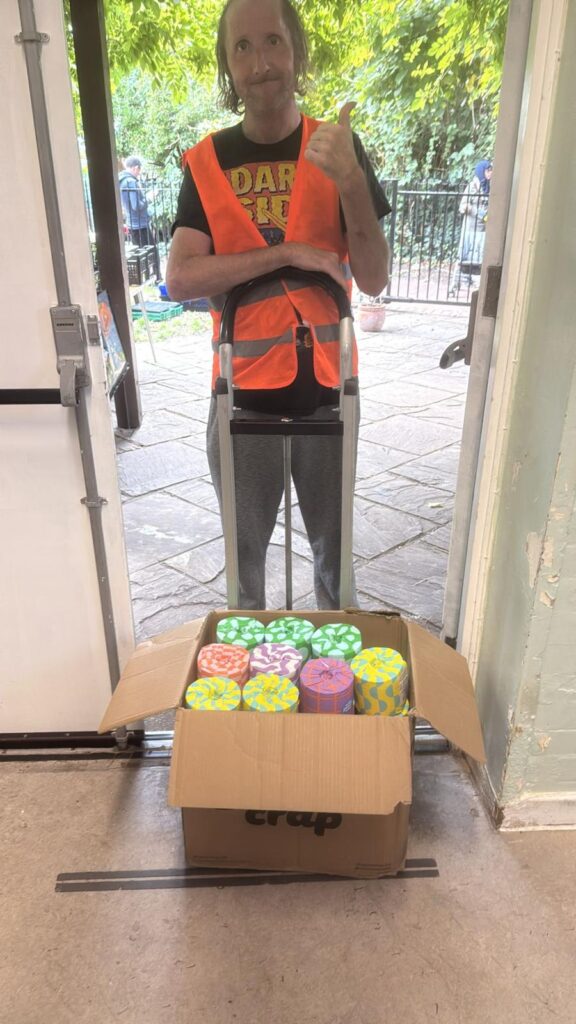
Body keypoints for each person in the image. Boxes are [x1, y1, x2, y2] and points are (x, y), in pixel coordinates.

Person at [166, 0, 390, 610]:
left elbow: (372, 277)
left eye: (273, 41)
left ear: (296, 51)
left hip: (329, 387)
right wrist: (285, 252)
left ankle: (334, 691)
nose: (260, 62)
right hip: (238, 389)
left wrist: (351, 183)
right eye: (242, 47)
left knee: (333, 563)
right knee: (245, 570)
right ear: (228, 65)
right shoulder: (207, 161)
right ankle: (250, 697)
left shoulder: (339, 148)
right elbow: (181, 278)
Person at [449, 159, 492, 295]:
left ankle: (478, 288)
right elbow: (462, 206)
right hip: (470, 229)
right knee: (463, 256)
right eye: (488, 170)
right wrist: (477, 212)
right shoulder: (472, 186)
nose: (490, 173)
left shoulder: (490, 187)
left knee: (479, 257)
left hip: (482, 230)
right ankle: (454, 285)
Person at [118, 156, 152, 247]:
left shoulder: (122, 180)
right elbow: (136, 206)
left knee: (140, 255)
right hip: (140, 225)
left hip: (133, 224)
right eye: (139, 170)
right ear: (136, 168)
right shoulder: (131, 182)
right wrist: (149, 198)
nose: (139, 173)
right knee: (152, 255)